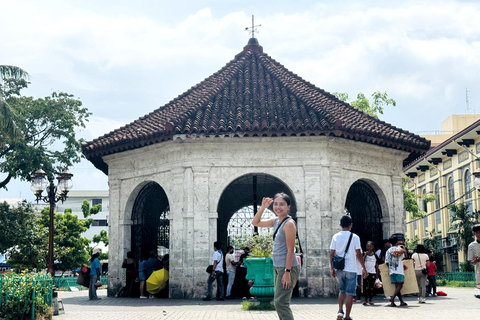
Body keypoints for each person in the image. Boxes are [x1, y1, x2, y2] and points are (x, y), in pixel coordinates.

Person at [252, 193, 300, 320]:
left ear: (288, 207)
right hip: (278, 266)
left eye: (282, 204)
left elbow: (290, 250)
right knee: (279, 302)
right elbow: (255, 222)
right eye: (276, 204)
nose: (278, 207)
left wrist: (287, 272)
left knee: (281, 303)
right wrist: (263, 207)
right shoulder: (276, 221)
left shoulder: (289, 224)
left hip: (287, 267)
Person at [330, 215, 367, 320]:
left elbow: (331, 253)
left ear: (340, 225)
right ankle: (347, 316)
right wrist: (364, 268)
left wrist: (332, 268)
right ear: (351, 225)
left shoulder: (335, 237)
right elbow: (359, 254)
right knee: (350, 293)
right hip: (351, 268)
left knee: (342, 290)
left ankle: (340, 310)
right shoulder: (355, 237)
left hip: (340, 268)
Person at [385, 236, 407, 307]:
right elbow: (405, 257)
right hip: (399, 270)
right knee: (400, 285)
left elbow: (386, 262)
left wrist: (390, 268)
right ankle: (392, 298)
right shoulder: (399, 249)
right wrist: (404, 248)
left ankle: (400, 301)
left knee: (396, 287)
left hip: (392, 270)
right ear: (397, 242)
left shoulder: (388, 251)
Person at [363, 241, 378, 306]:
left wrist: (377, 273)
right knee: (365, 286)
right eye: (368, 246)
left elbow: (377, 265)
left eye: (370, 246)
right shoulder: (364, 254)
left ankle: (371, 300)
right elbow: (362, 262)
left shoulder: (375, 255)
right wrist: (365, 255)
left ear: (372, 247)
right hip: (366, 272)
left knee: (371, 287)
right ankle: (365, 300)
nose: (369, 248)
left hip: (373, 272)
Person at [467, 224, 480, 299]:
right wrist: (475, 260)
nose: (479, 234)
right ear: (474, 233)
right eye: (477, 232)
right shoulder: (472, 246)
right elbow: (471, 262)